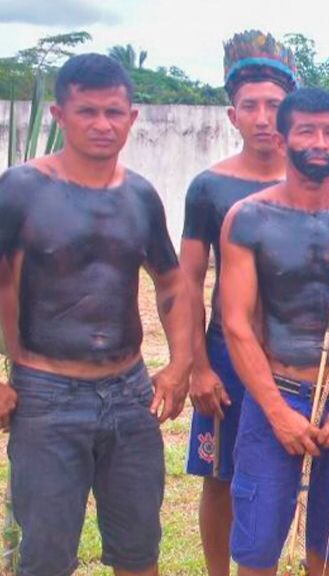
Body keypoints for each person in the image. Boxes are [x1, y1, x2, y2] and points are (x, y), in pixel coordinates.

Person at [0, 53, 193, 576]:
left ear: (132, 117)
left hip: (130, 397)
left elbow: (172, 281)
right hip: (46, 397)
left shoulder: (139, 196)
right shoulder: (19, 190)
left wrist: (179, 367)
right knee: (46, 556)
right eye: (87, 111)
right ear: (60, 115)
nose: (102, 124)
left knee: (138, 550)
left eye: (114, 112)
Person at [219, 87, 329, 576]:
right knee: (257, 543)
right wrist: (276, 412)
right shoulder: (249, 219)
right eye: (306, 131)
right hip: (276, 400)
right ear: (282, 137)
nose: (319, 142)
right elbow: (236, 324)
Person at [181, 30, 296, 576]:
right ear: (232, 115)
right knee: (221, 479)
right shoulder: (210, 188)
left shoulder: (312, 183)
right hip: (225, 356)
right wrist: (196, 367)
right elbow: (187, 282)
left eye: (274, 105)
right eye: (249, 106)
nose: (263, 117)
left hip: (290, 360)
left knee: (277, 476)